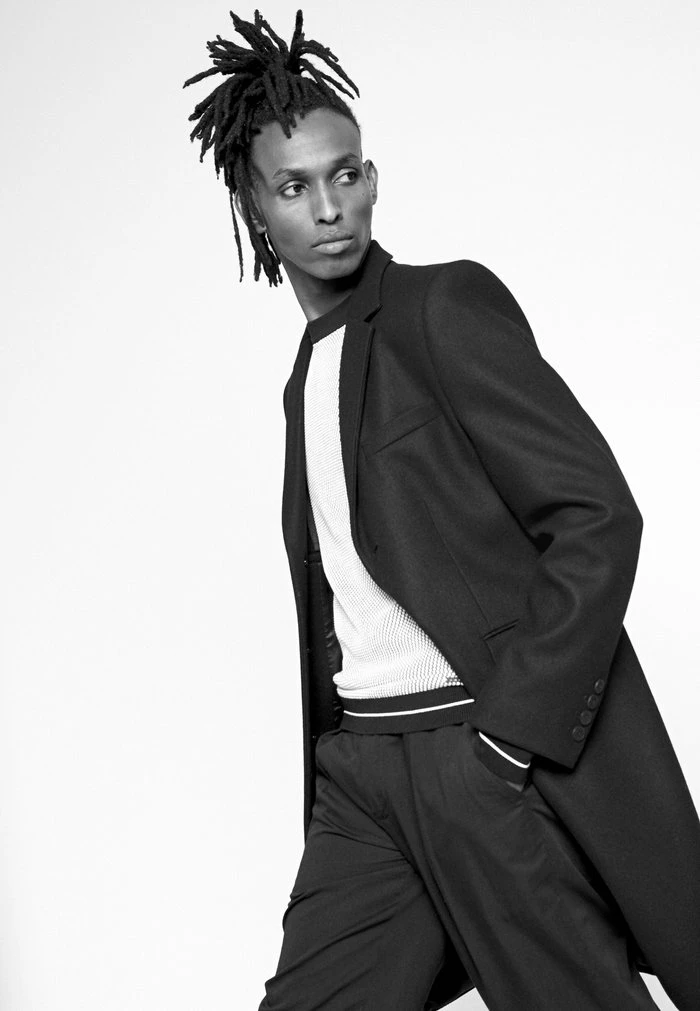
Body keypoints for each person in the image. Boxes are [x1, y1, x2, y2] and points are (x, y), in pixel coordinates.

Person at [183, 10, 700, 1010]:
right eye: (294, 186)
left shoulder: (440, 308)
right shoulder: (305, 377)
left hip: (473, 751)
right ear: (255, 210)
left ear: (372, 178)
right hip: (361, 775)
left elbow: (596, 514)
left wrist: (507, 741)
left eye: (345, 174)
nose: (329, 206)